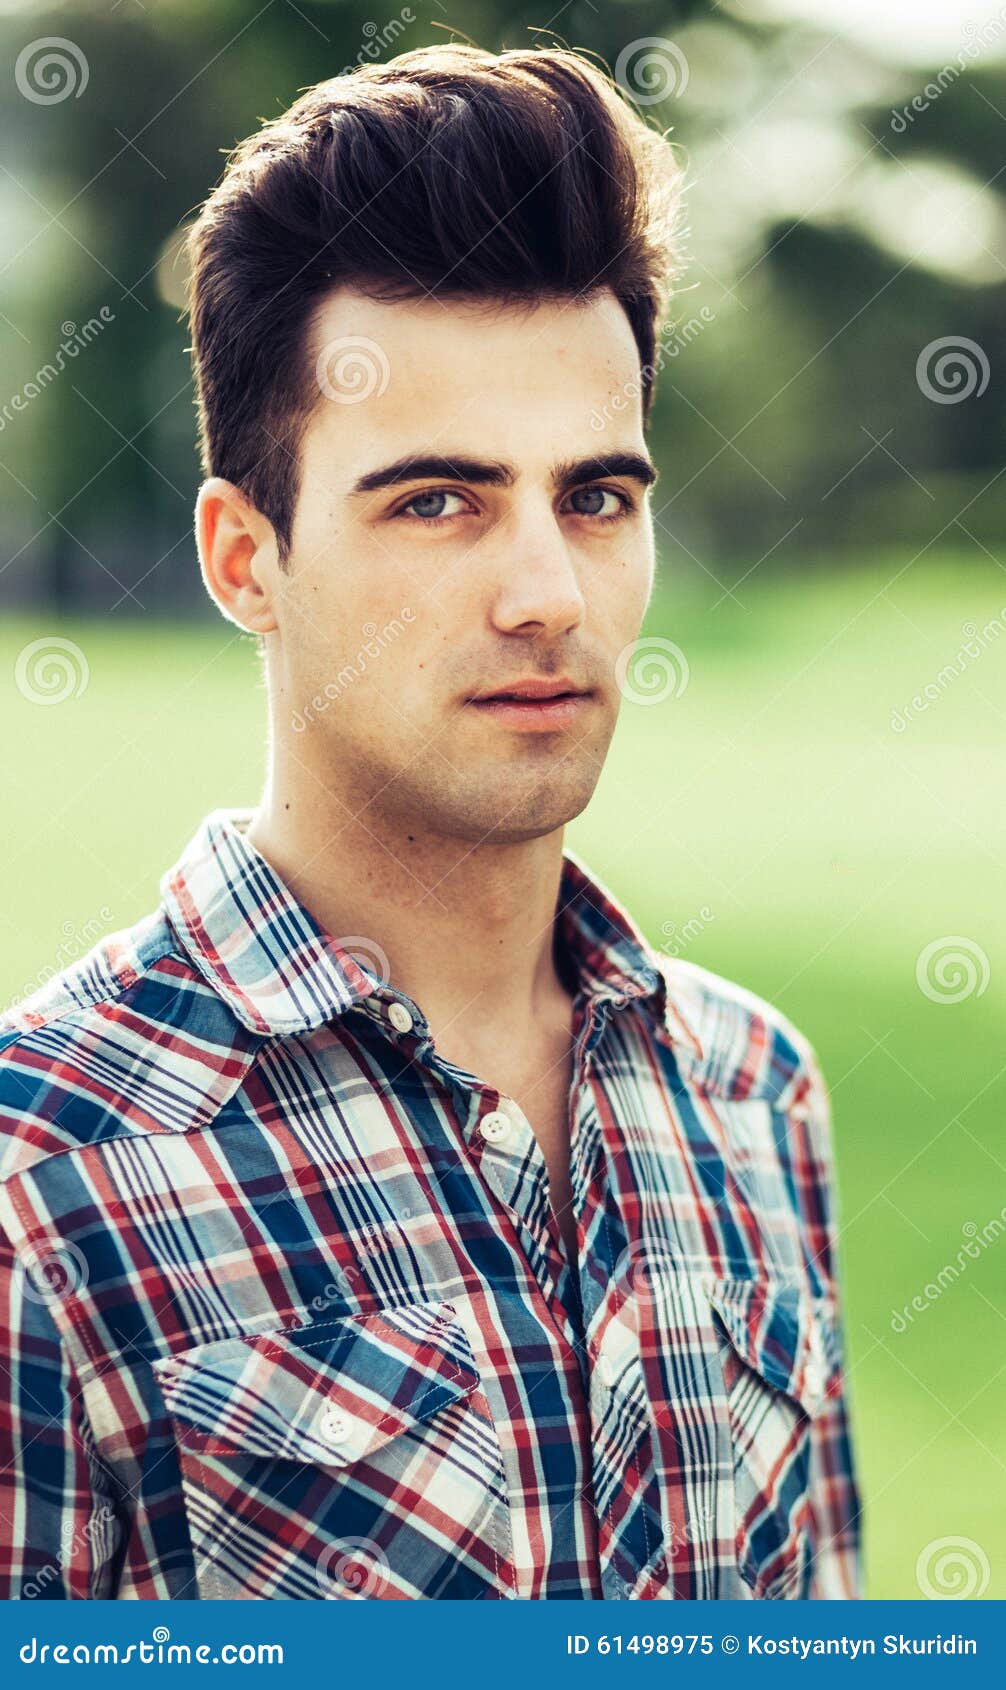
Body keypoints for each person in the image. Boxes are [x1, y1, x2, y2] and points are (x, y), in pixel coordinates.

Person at [0, 42, 861, 1601]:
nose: (546, 594)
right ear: (243, 556)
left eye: (594, 497)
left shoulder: (755, 1097)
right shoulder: (41, 1179)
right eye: (436, 502)